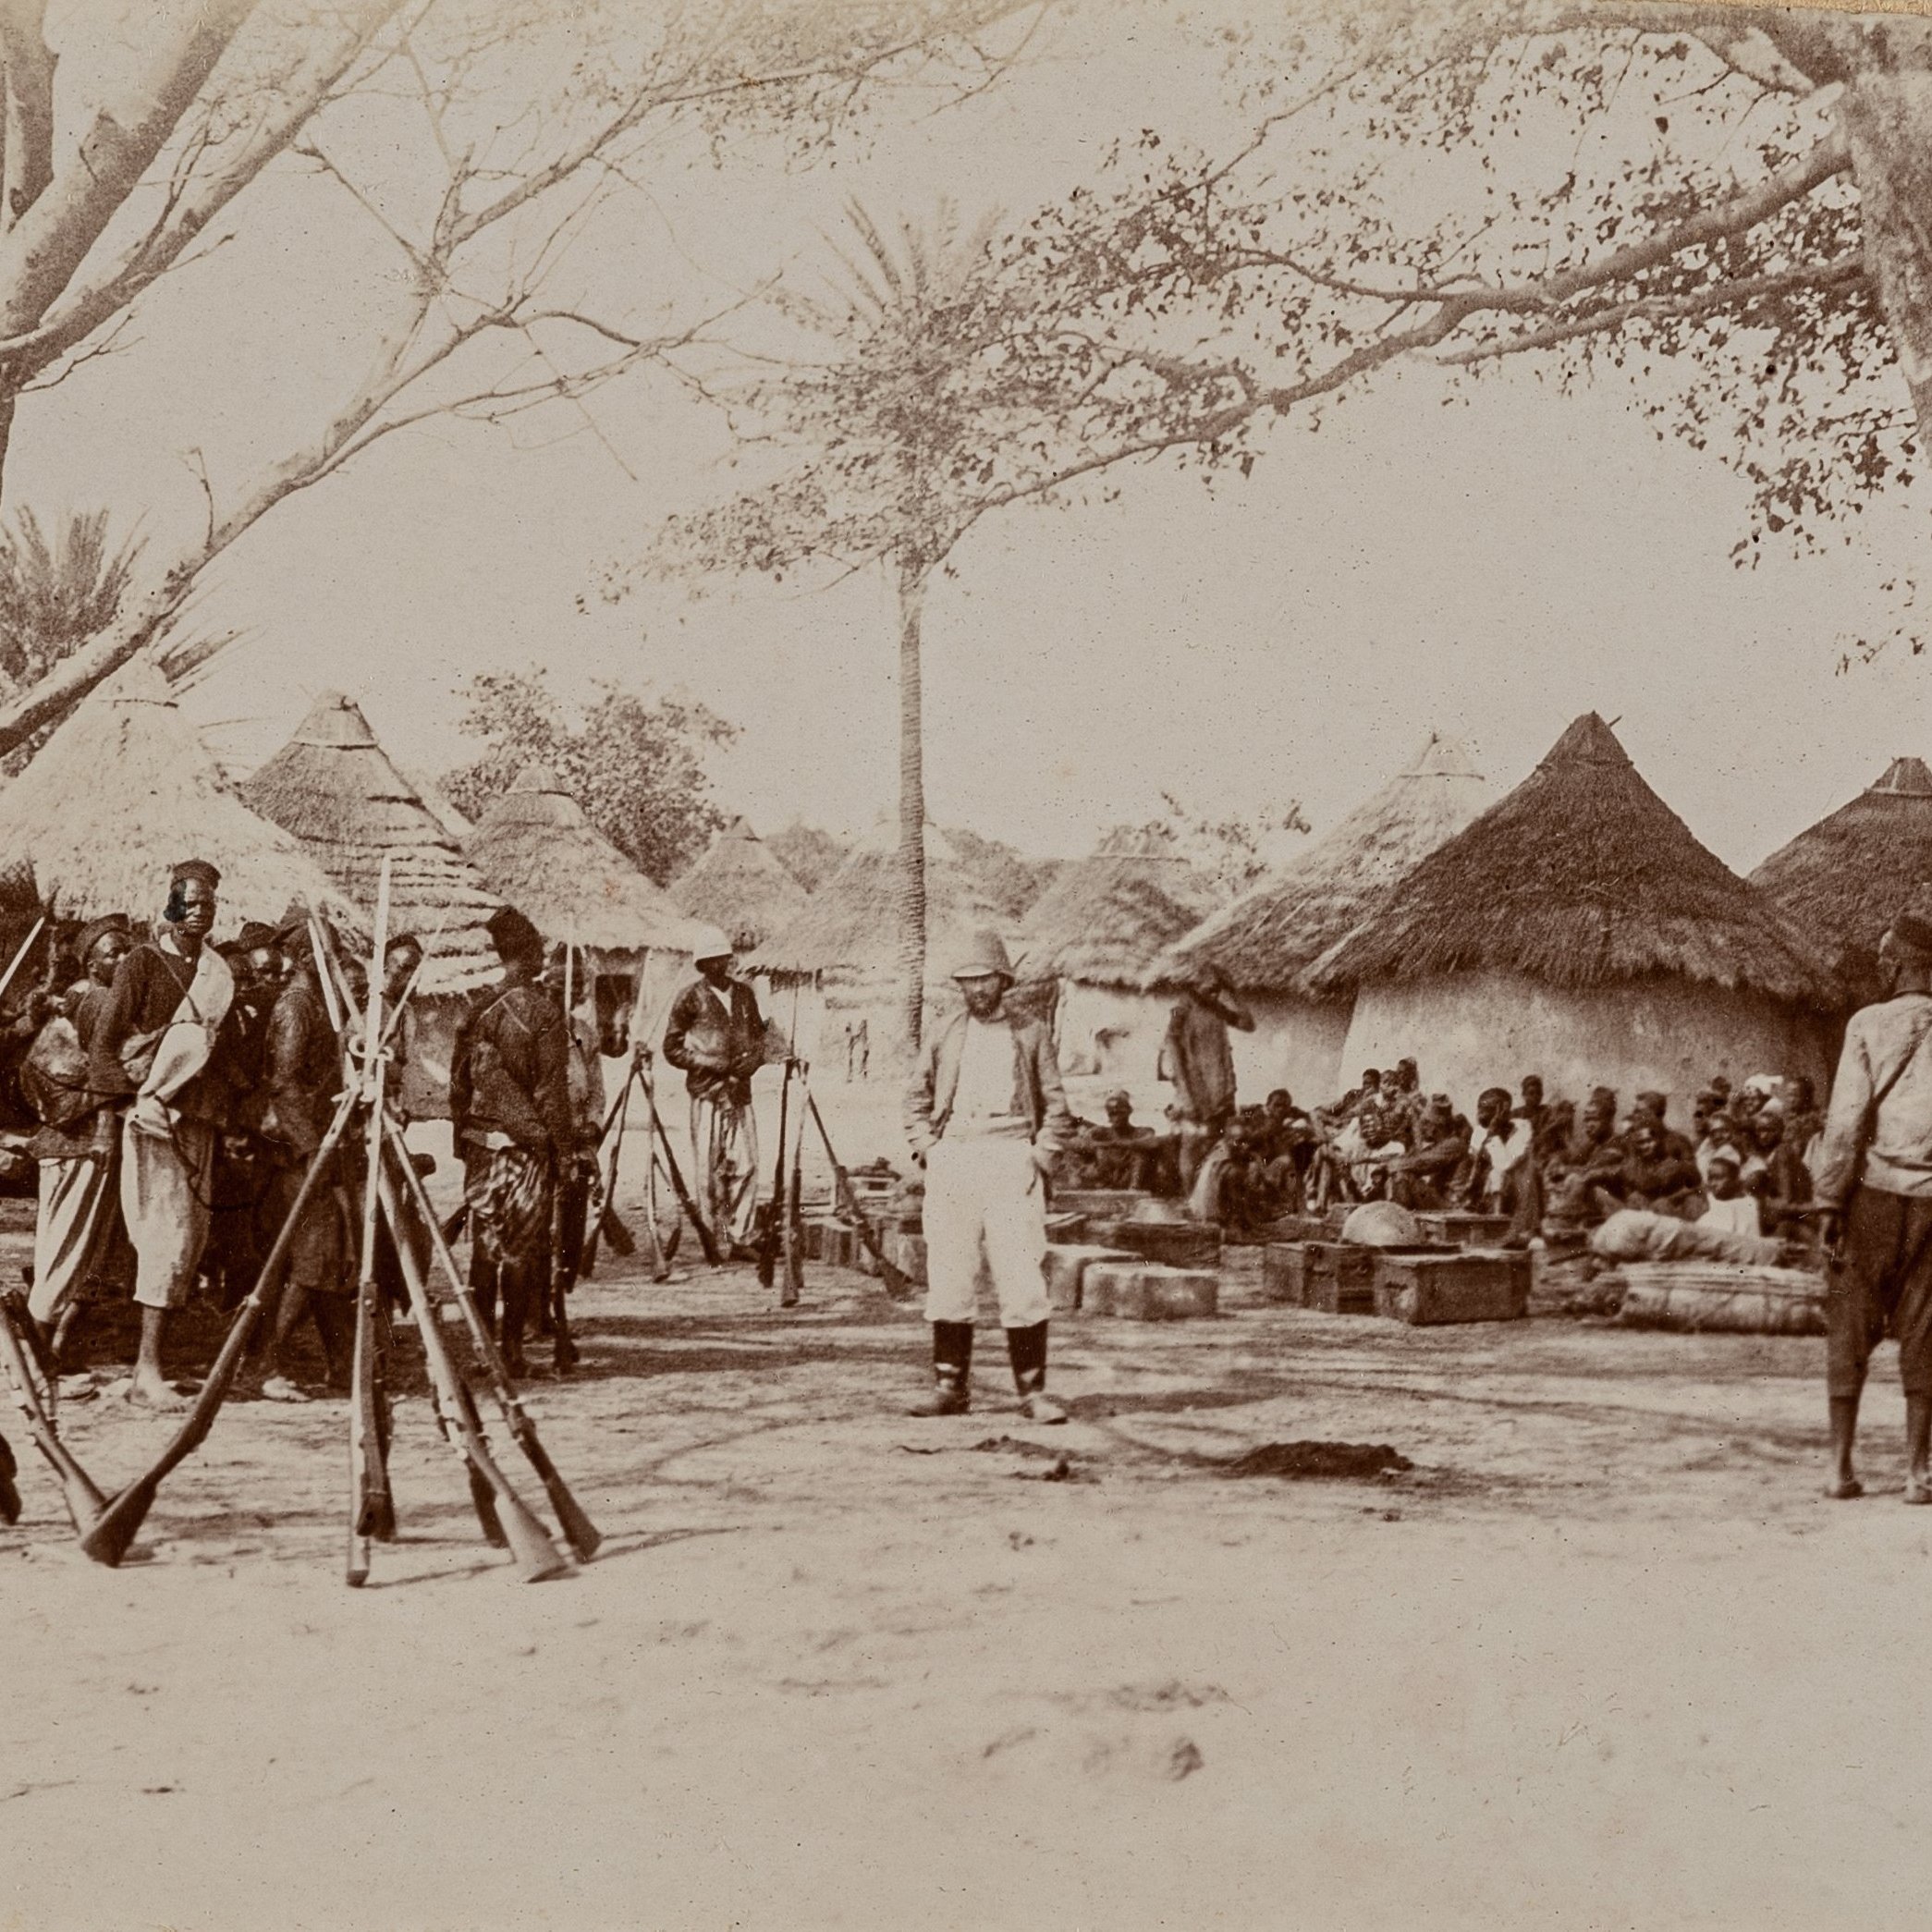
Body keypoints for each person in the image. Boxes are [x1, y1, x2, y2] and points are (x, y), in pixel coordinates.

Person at [903, 929, 1073, 1423]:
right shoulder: (944, 1031)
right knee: (951, 1274)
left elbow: (1057, 1105)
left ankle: (1032, 1393)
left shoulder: (1031, 1032)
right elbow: (916, 1098)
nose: (977, 989)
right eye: (967, 981)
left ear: (1003, 980)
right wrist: (928, 1148)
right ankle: (950, 1388)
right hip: (955, 1156)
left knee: (1021, 1276)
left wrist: (1041, 1154)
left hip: (1010, 1156)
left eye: (985, 980)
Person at [89, 860, 239, 1410]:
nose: (200, 910)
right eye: (190, 901)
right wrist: (113, 1116)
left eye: (209, 903)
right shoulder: (141, 964)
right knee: (163, 1240)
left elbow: (218, 1052)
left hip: (199, 1119)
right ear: (172, 904)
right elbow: (105, 1048)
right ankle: (145, 1371)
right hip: (152, 1118)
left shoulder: (218, 971)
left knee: (190, 1240)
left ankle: (156, 1364)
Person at [1813, 911, 1932, 1502]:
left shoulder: (1868, 1023)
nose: (1882, 967)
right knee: (1927, 1331)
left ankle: (1839, 1469)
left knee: (1850, 1324)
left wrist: (1830, 1198)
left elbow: (1847, 1120)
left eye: (1886, 959)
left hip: (1876, 1199)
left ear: (1897, 966)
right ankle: (1918, 1473)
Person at [448, 905, 576, 1376]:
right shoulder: (543, 1012)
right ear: (526, 954)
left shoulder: (476, 1010)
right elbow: (550, 1091)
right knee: (520, 1248)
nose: (544, 958)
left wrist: (461, 1142)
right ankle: (511, 1351)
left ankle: (484, 1348)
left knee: (486, 1247)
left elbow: (458, 1087)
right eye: (538, 950)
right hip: (525, 1149)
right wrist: (563, 1153)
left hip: (482, 1145)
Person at [20, 916, 134, 1380]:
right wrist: (106, 1123)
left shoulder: (87, 999)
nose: (124, 959)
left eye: (127, 951)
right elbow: (94, 1072)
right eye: (114, 953)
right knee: (67, 1250)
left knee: (73, 1250)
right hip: (81, 1145)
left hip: (76, 1143)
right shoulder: (94, 1003)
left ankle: (48, 1350)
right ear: (92, 963)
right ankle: (33, 1354)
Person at [256, 920, 351, 1400]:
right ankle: (268, 1364)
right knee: (314, 1254)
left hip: (323, 1144)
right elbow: (284, 1083)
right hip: (302, 1152)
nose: (336, 963)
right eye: (328, 954)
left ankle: (342, 1364)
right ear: (307, 957)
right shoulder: (296, 1007)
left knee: (328, 1254)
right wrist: (312, 1148)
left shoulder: (321, 1005)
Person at [663, 926, 767, 1254]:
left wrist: (749, 1065)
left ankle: (741, 1236)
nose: (719, 966)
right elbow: (672, 1048)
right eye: (711, 961)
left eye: (723, 959)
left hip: (739, 1092)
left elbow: (758, 1039)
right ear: (702, 966)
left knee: (747, 1164)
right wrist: (708, 1063)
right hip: (706, 1092)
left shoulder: (745, 995)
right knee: (708, 1170)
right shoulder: (689, 998)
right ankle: (712, 1238)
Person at [1157, 963, 1254, 1189]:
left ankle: (1211, 1197)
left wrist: (1234, 992)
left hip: (1220, 1089)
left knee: (1220, 1142)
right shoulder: (1182, 1010)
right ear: (1195, 986)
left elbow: (1248, 1024)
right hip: (1194, 1088)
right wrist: (1185, 1093)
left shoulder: (1216, 1008)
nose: (1214, 993)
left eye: (1218, 989)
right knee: (1192, 1142)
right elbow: (1174, 1053)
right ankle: (1190, 1196)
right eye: (1209, 988)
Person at [1389, 1095, 1471, 1210]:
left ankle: (1401, 1218)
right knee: (1397, 1173)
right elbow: (1416, 1159)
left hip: (1451, 1204)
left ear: (1434, 1126)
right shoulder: (1437, 1146)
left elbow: (1422, 1163)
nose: (1421, 1129)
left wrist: (1394, 1164)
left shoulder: (1454, 1144)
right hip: (1441, 1200)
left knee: (1402, 1175)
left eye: (1425, 1124)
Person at [1466, 1086, 1532, 1216]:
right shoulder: (1479, 1132)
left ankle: (1497, 1219)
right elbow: (1477, 1165)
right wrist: (1492, 1134)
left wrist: (1494, 1136)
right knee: (1494, 1175)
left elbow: (1506, 1164)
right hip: (1485, 1193)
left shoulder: (1522, 1128)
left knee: (1497, 1173)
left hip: (1517, 1191)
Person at [1084, 1088, 1159, 1192]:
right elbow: (1084, 1143)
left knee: (1139, 1153)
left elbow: (1153, 1142)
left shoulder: (1141, 1131)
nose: (1117, 1118)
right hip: (1111, 1176)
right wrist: (1101, 1142)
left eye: (1120, 1113)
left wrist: (1127, 1144)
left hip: (1131, 1177)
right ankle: (1105, 1186)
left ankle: (1134, 1189)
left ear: (1129, 1112)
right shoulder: (1102, 1133)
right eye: (1113, 1114)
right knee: (1100, 1151)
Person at [1698, 1148, 1760, 1237]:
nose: (1713, 1184)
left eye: (1718, 1178)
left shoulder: (1749, 1203)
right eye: (1710, 1178)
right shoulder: (1708, 1200)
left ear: (1734, 1180)